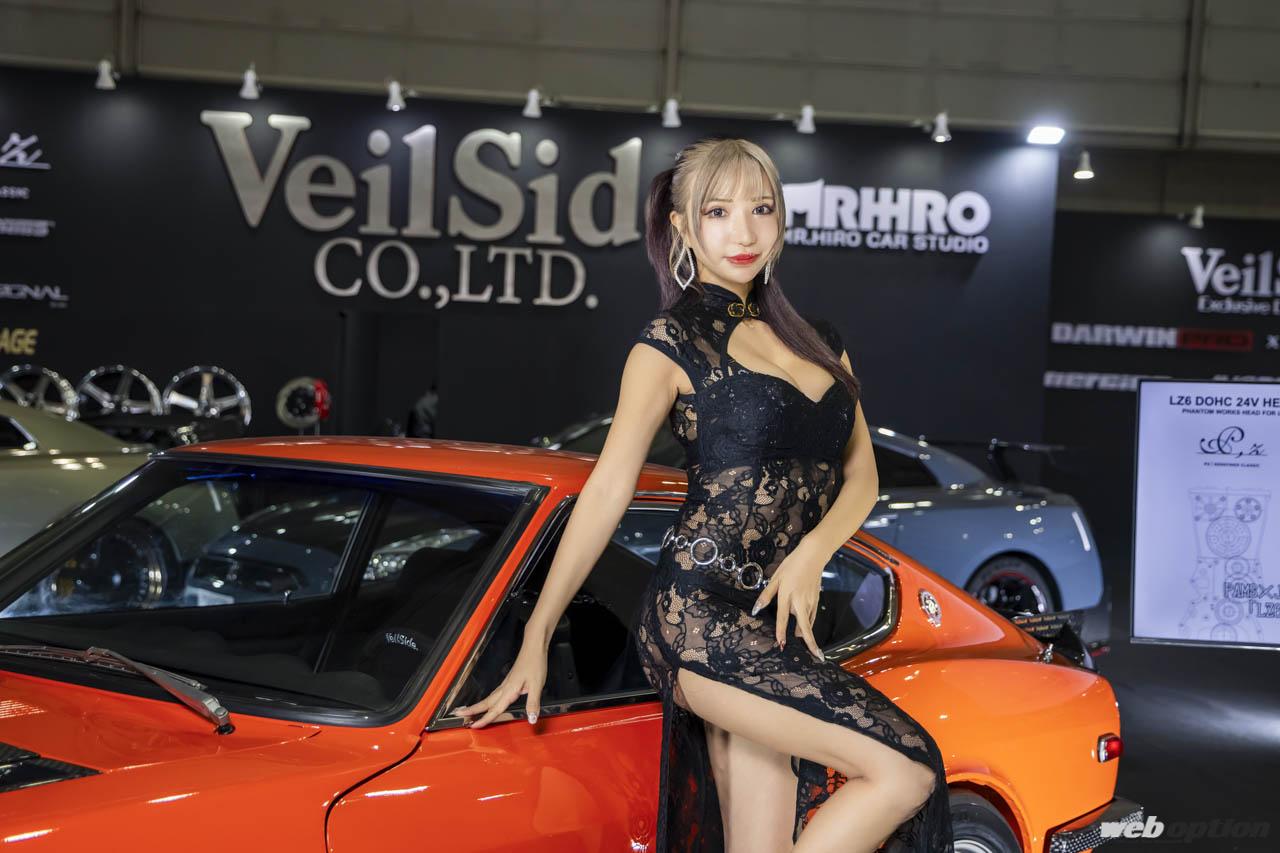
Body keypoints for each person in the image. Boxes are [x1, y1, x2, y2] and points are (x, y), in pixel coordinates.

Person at [452, 137, 953, 852]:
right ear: (682, 226)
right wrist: (536, 635)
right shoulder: (669, 342)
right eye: (717, 212)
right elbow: (607, 491)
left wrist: (812, 553)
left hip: (776, 625)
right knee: (906, 767)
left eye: (761, 208)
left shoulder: (822, 342)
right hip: (697, 617)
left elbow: (862, 477)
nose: (743, 231)